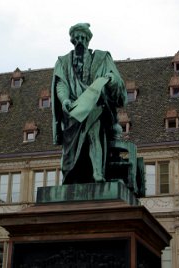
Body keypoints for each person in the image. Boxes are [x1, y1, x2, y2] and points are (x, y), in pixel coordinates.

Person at [51, 23, 127, 184]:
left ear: (88, 40)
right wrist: (64, 99)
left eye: (83, 38)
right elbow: (61, 84)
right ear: (72, 40)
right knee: (70, 151)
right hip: (73, 111)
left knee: (94, 133)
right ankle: (73, 175)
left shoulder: (101, 58)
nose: (80, 41)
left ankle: (98, 173)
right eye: (77, 38)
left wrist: (111, 79)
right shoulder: (63, 62)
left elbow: (117, 79)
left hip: (95, 107)